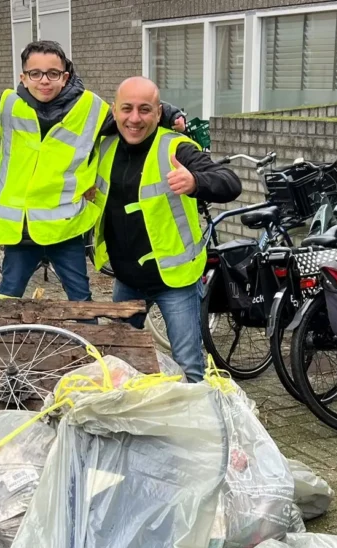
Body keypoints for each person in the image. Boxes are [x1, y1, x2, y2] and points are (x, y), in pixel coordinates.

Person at [0, 40, 185, 300]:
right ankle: (7, 346)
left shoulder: (91, 109)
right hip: (20, 230)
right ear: (23, 77)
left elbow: (133, 111)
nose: (44, 80)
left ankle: (85, 345)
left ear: (65, 76)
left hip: (64, 229)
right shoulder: (8, 105)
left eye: (53, 73)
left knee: (81, 302)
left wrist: (170, 114)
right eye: (36, 73)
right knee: (8, 301)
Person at [92, 77, 241, 383]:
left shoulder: (176, 148)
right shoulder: (104, 147)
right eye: (127, 109)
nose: (135, 118)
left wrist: (196, 182)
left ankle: (195, 426)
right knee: (120, 361)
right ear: (114, 111)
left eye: (145, 109)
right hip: (126, 280)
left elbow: (230, 181)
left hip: (175, 281)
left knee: (188, 366)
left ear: (158, 113)